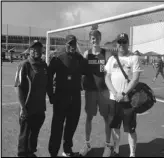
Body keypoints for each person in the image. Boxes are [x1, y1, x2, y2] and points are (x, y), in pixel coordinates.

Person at [48, 35, 88, 157]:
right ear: (66, 45)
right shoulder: (58, 58)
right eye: (70, 44)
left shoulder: (80, 58)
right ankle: (53, 153)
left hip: (75, 97)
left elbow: (89, 71)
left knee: (72, 124)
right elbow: (49, 76)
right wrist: (51, 95)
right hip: (61, 97)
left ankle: (67, 150)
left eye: (74, 44)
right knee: (57, 126)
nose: (72, 46)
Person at [105, 33, 143, 157]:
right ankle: (116, 150)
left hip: (128, 100)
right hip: (114, 99)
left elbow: (135, 78)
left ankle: (132, 153)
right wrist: (115, 93)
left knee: (130, 129)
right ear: (117, 44)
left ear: (128, 43)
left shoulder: (133, 58)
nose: (121, 44)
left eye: (124, 42)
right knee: (115, 127)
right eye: (119, 42)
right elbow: (107, 78)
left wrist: (123, 93)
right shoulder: (111, 59)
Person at [14, 40, 52, 157]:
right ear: (29, 50)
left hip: (40, 108)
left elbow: (48, 85)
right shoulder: (24, 65)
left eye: (39, 48)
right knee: (25, 134)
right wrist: (23, 107)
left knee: (34, 132)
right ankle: (22, 154)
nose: (37, 51)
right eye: (34, 48)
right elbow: (18, 87)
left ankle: (30, 152)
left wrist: (52, 97)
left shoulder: (44, 65)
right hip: (27, 107)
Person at [79, 29, 113, 157]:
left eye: (97, 37)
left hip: (104, 91)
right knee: (89, 118)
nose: (95, 40)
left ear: (100, 38)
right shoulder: (86, 54)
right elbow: (81, 71)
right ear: (90, 40)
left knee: (106, 118)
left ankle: (108, 145)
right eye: (93, 38)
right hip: (90, 92)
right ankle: (87, 144)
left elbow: (111, 72)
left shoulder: (106, 54)